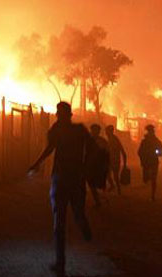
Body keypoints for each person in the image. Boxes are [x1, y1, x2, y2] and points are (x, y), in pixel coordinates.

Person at [28, 102, 93, 276]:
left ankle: (60, 263)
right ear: (70, 114)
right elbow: (92, 148)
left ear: (59, 114)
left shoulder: (57, 130)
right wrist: (85, 168)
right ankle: (83, 226)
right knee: (78, 211)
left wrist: (36, 164)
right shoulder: (80, 130)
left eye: (58, 113)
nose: (57, 115)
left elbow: (49, 149)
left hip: (61, 179)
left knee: (59, 221)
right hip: (76, 179)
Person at [137, 124, 162, 201]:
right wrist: (143, 159)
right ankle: (148, 179)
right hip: (146, 162)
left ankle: (152, 196)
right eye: (149, 131)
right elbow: (139, 152)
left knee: (153, 179)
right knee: (146, 179)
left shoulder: (156, 141)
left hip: (153, 162)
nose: (150, 133)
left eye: (151, 131)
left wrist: (157, 153)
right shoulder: (144, 142)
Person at [87, 124, 109, 208]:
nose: (94, 132)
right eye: (93, 130)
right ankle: (98, 201)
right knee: (91, 183)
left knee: (100, 183)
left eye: (96, 130)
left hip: (99, 165)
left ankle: (104, 198)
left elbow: (106, 154)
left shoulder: (102, 141)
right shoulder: (88, 141)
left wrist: (106, 165)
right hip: (91, 165)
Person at [105, 125, 127, 195]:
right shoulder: (110, 139)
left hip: (115, 161)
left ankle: (118, 190)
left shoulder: (114, 140)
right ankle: (113, 186)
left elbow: (122, 151)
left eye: (107, 131)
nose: (106, 133)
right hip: (110, 160)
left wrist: (124, 164)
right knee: (108, 174)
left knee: (115, 176)